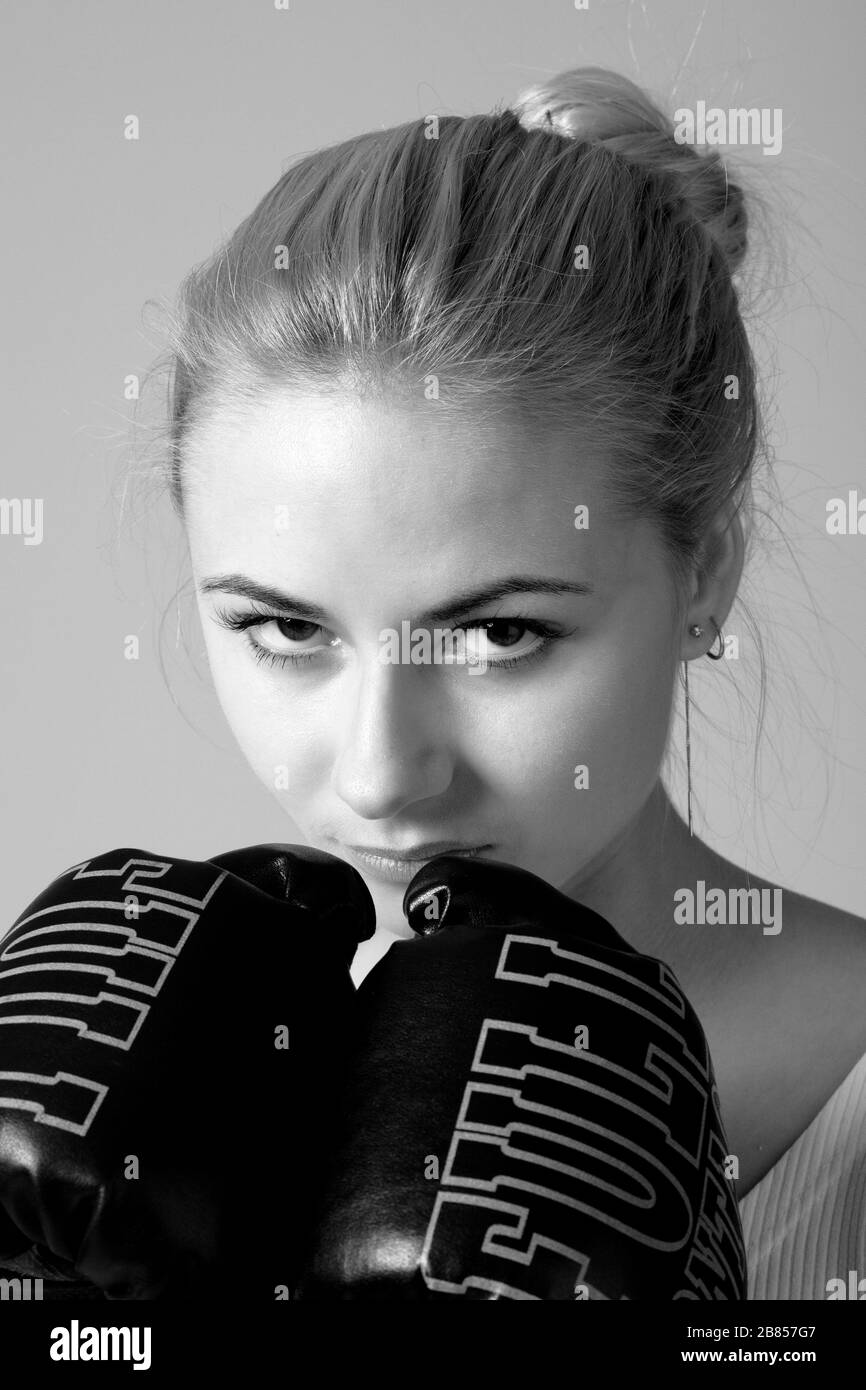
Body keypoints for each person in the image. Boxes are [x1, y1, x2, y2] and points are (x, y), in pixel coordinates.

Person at [7, 65, 865, 1301]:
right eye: (283, 629)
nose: (376, 773)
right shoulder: (154, 1108)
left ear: (703, 574)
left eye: (498, 635)